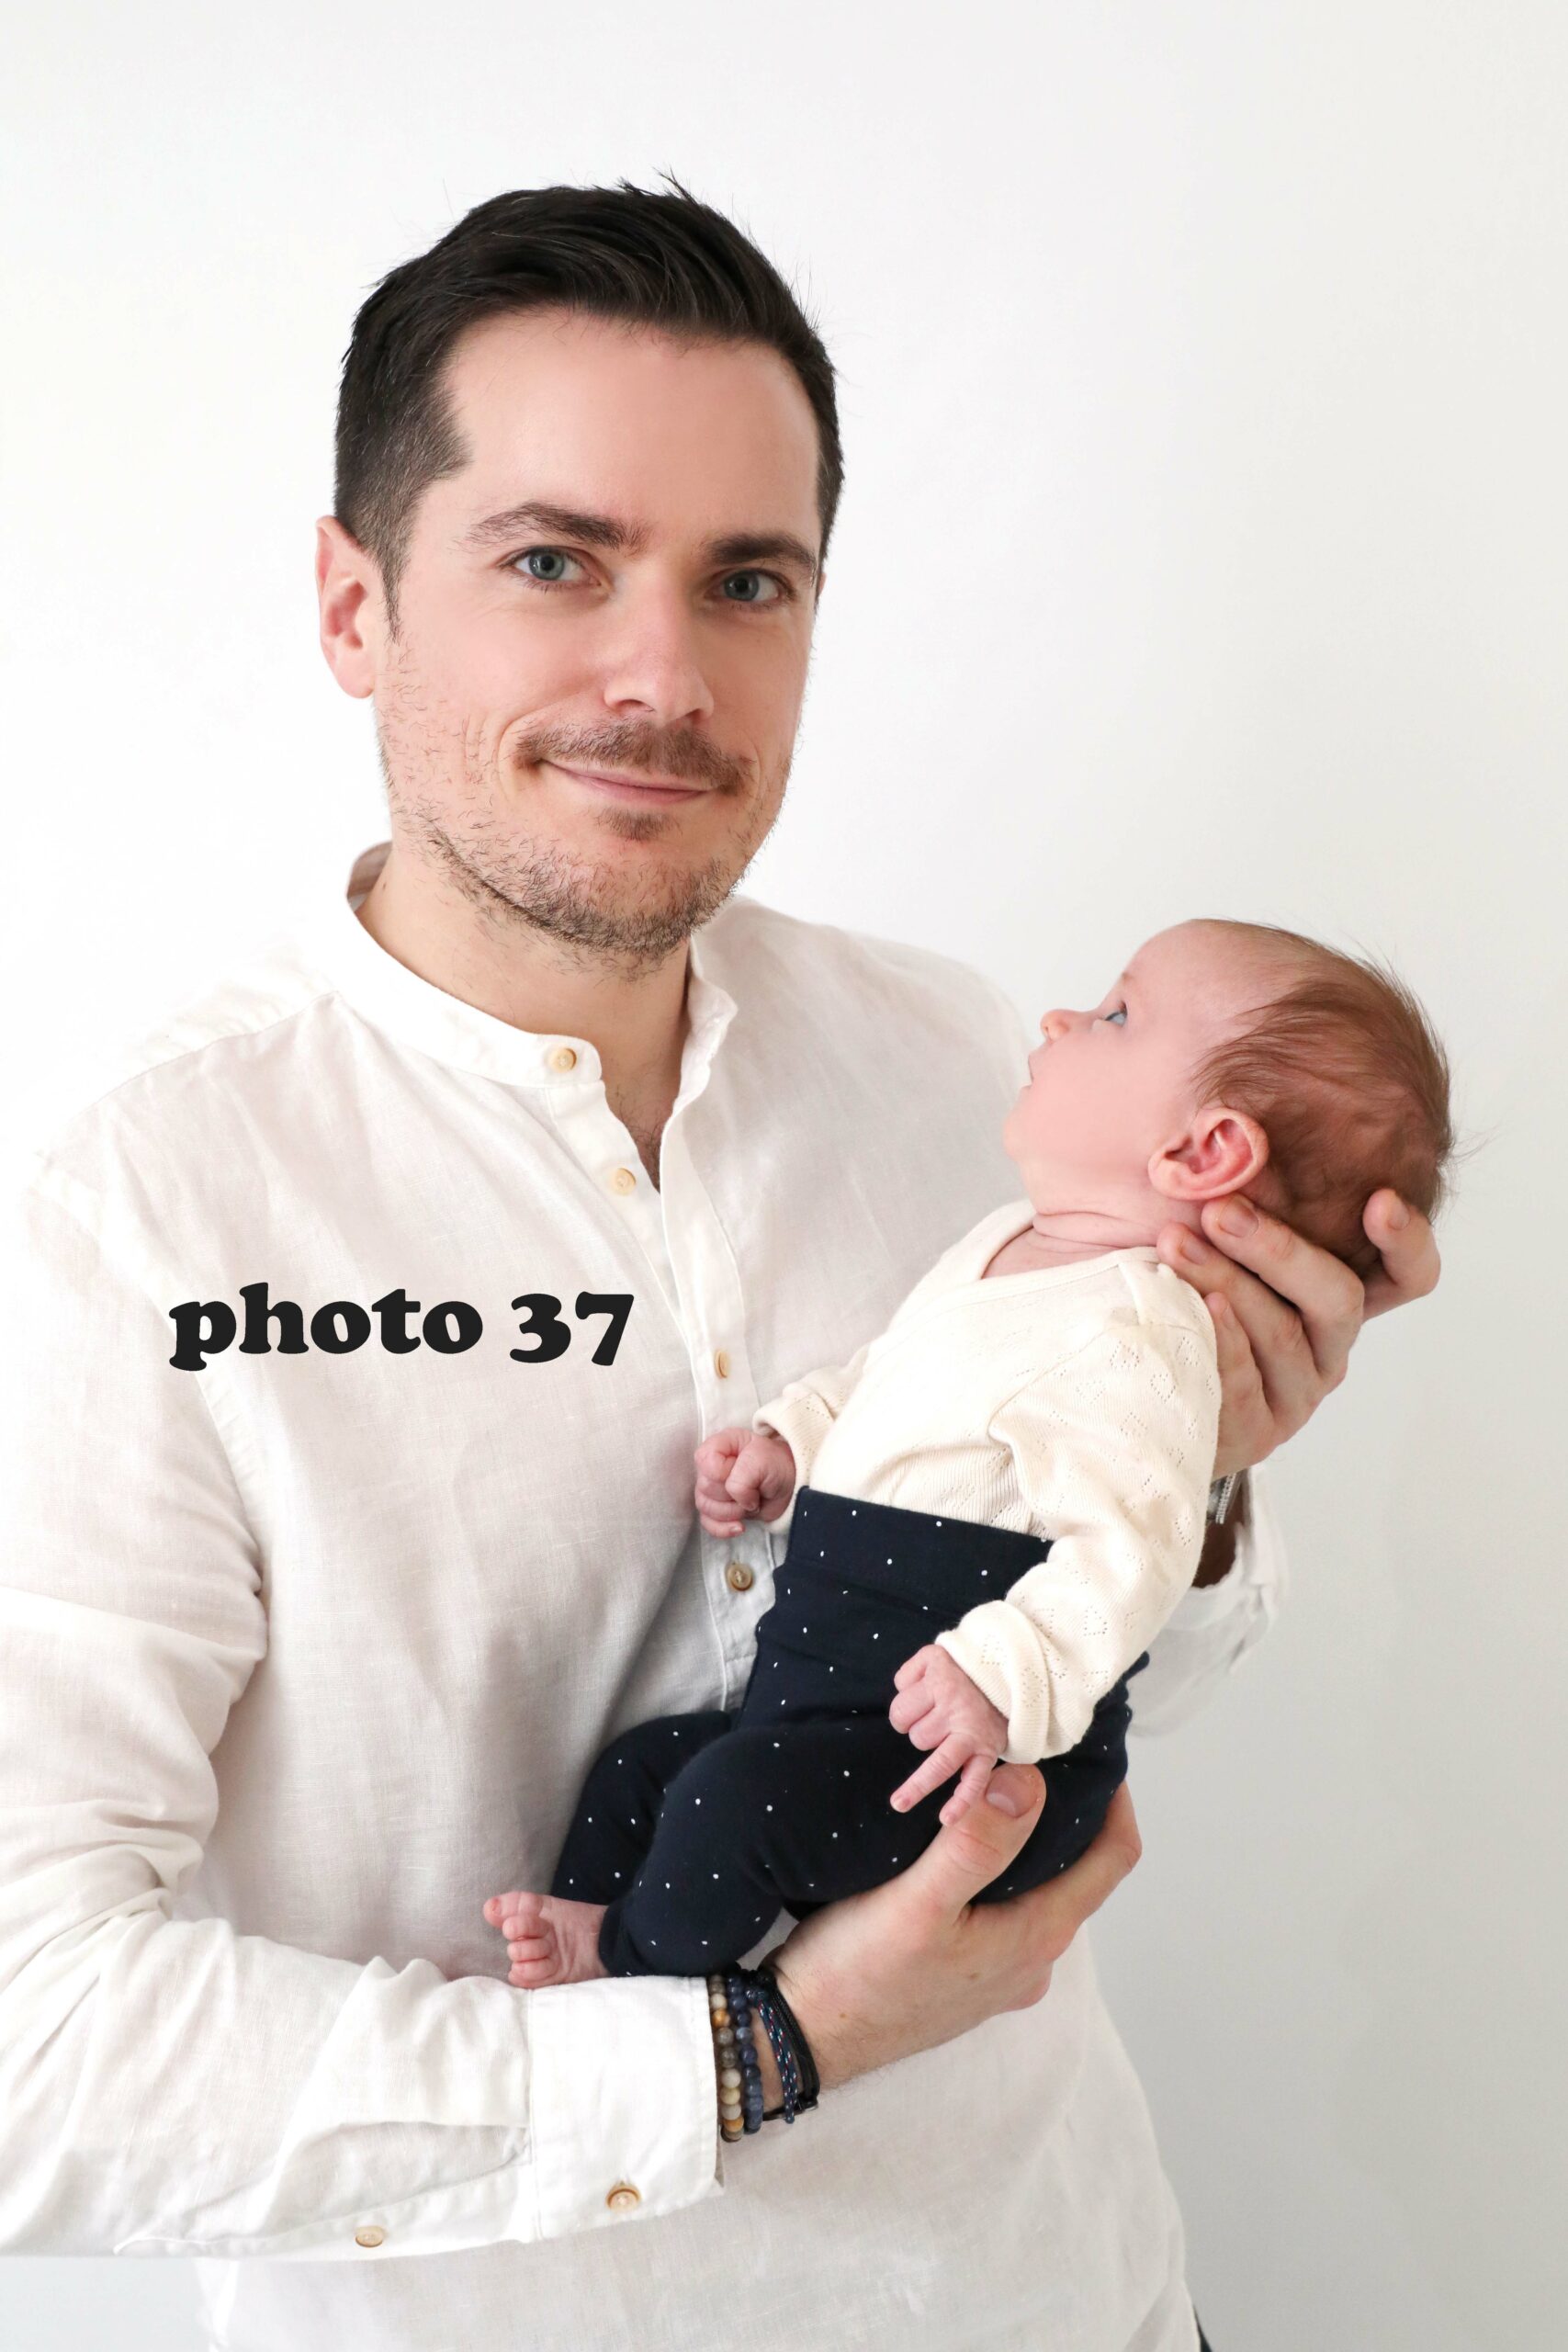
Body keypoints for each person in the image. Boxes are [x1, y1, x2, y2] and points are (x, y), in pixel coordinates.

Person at [0, 186, 1439, 2352]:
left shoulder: (961, 1063)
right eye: (554, 560)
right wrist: (755, 2047)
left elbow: (1099, 1685)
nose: (663, 679)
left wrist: (1211, 1468)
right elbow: (30, 2046)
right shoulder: (135, 1202)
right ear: (353, 603)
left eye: (745, 580)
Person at [485, 919, 1453, 1991]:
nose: (1060, 1018)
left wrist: (1004, 1675)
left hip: (950, 1745)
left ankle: (629, 1969)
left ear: (1204, 1151)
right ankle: (593, 1935)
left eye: (1116, 1014)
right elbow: (897, 1381)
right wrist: (794, 1440)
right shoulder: (1005, 1243)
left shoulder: (1139, 1332)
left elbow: (1132, 1553)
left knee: (729, 1807)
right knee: (646, 1769)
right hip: (832, 1696)